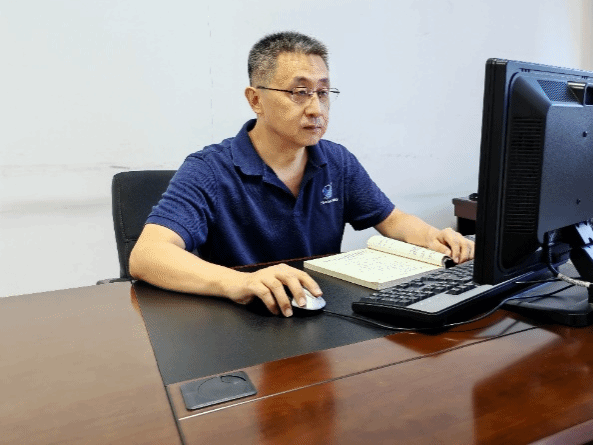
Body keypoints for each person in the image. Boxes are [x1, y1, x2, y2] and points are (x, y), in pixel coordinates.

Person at [130, 31, 474, 317]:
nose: (316, 108)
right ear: (255, 100)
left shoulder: (336, 161)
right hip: (243, 321)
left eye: (323, 93)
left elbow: (393, 220)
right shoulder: (210, 169)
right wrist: (240, 282)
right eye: (299, 92)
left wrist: (434, 237)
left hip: (322, 313)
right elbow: (147, 255)